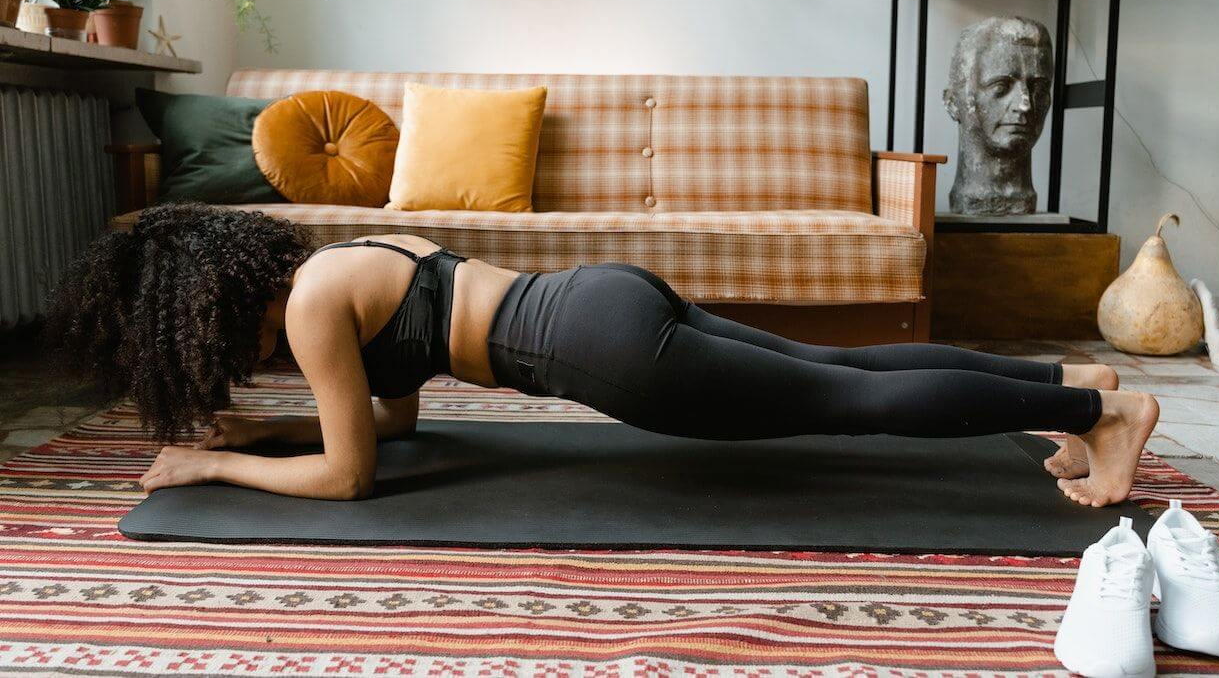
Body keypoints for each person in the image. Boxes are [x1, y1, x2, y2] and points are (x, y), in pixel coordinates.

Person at [45, 203, 1158, 508]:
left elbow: (351, 476)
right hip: (600, 293)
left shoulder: (310, 312)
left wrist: (214, 464)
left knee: (843, 401)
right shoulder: (342, 258)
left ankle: (1104, 425)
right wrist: (265, 426)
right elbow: (392, 422)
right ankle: (1068, 386)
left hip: (600, 354)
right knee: (856, 364)